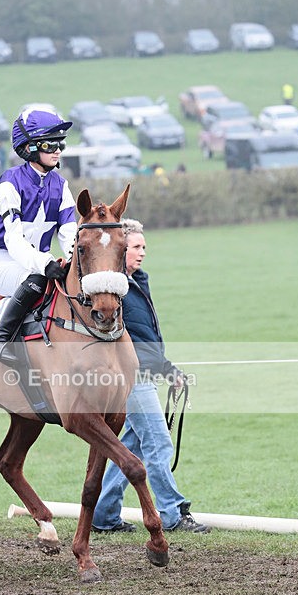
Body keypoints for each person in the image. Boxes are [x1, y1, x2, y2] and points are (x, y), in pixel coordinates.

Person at [92, 219, 210, 535]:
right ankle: (173, 514)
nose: (143, 252)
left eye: (144, 247)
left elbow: (146, 338)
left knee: (130, 448)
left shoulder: (137, 282)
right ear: (120, 250)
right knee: (158, 443)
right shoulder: (114, 290)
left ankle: (102, 516)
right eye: (136, 247)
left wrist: (168, 370)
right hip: (131, 379)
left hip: (143, 374)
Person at [0, 108, 77, 366]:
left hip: (42, 262)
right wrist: (44, 264)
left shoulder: (61, 185)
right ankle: (0, 341)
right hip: (6, 264)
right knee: (36, 278)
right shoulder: (9, 183)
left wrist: (73, 261)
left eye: (61, 144)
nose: (57, 150)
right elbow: (13, 240)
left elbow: (69, 231)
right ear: (30, 148)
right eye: (50, 144)